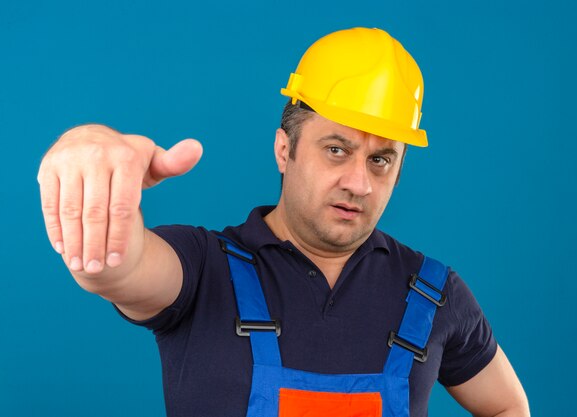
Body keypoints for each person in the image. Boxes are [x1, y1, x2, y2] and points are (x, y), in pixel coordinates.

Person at [38, 28, 529, 416]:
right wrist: (88, 150)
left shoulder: (433, 294)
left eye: (381, 160)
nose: (358, 182)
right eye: (336, 150)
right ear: (284, 149)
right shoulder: (203, 270)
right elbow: (115, 267)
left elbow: (508, 406)